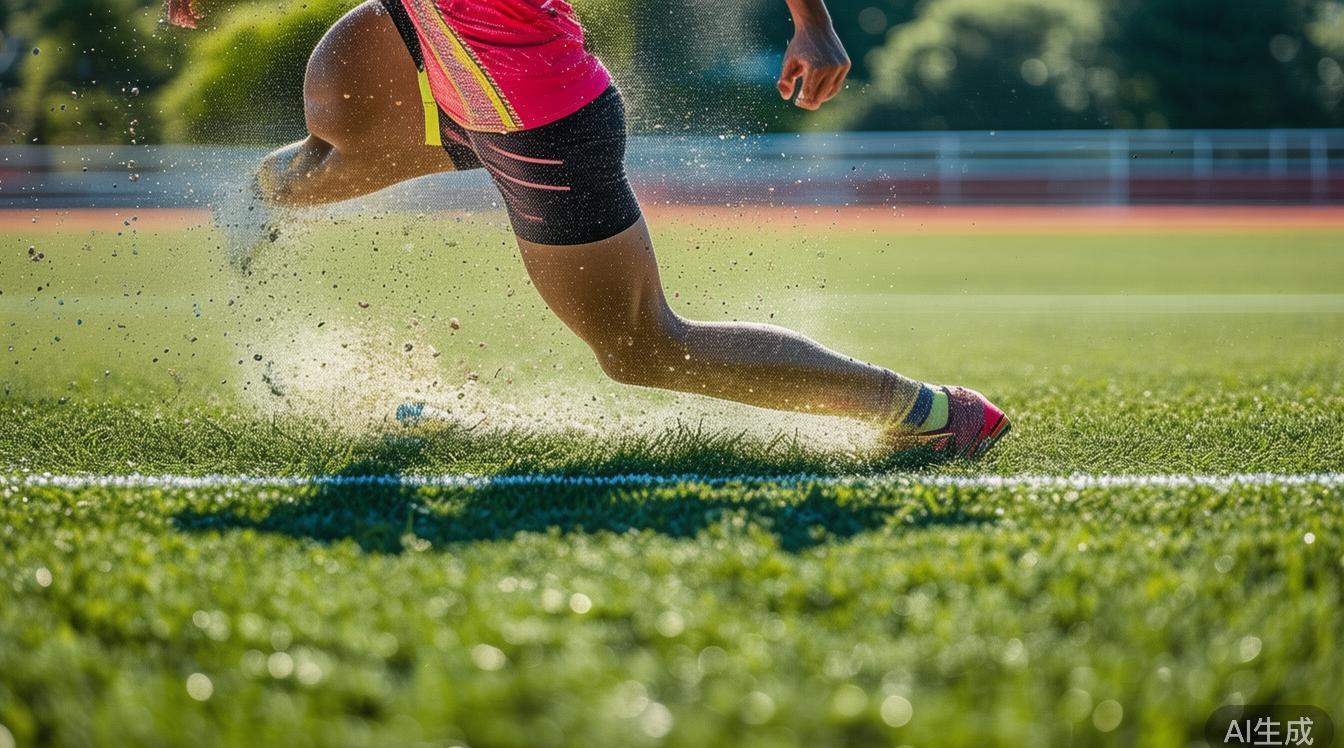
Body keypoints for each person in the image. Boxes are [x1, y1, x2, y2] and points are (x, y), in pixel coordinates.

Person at [165, 0, 1010, 460]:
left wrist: (812, 20)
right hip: (439, 58)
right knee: (335, 142)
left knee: (642, 348)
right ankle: (264, 191)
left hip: (541, 123)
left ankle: (931, 413)